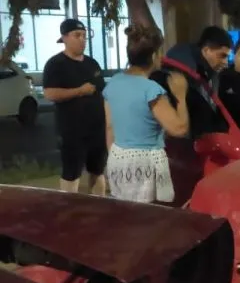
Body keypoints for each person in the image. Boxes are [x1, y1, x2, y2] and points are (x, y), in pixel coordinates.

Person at [103, 25, 189, 203]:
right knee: (147, 219)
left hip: (118, 157)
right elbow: (179, 128)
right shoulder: (151, 90)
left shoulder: (114, 83)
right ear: (153, 56)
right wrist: (180, 96)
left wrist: (115, 157)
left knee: (124, 214)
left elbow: (110, 127)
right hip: (144, 162)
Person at [42, 18, 107, 194]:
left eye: (85, 36)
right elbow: (49, 93)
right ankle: (69, 211)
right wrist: (79, 91)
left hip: (96, 130)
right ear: (64, 38)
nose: (82, 40)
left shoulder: (92, 63)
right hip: (72, 132)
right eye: (77, 35)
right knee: (72, 174)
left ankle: (99, 207)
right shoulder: (55, 64)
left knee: (98, 171)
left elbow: (102, 92)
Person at [161, 25, 233, 139]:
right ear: (206, 50)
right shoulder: (186, 69)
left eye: (227, 57)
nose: (225, 63)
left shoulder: (210, 72)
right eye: (222, 56)